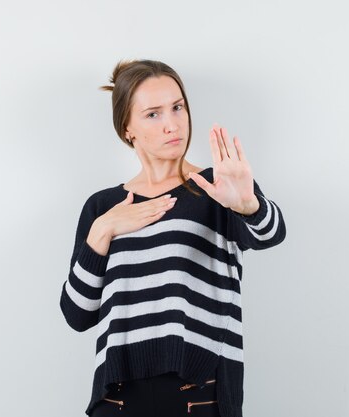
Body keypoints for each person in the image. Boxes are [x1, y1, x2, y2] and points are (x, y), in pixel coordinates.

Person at [59, 59, 286, 417]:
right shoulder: (103, 206)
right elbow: (77, 313)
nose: (172, 124)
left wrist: (248, 205)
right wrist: (103, 229)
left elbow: (270, 234)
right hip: (117, 396)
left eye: (177, 108)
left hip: (198, 392)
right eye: (153, 114)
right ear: (127, 127)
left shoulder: (217, 186)